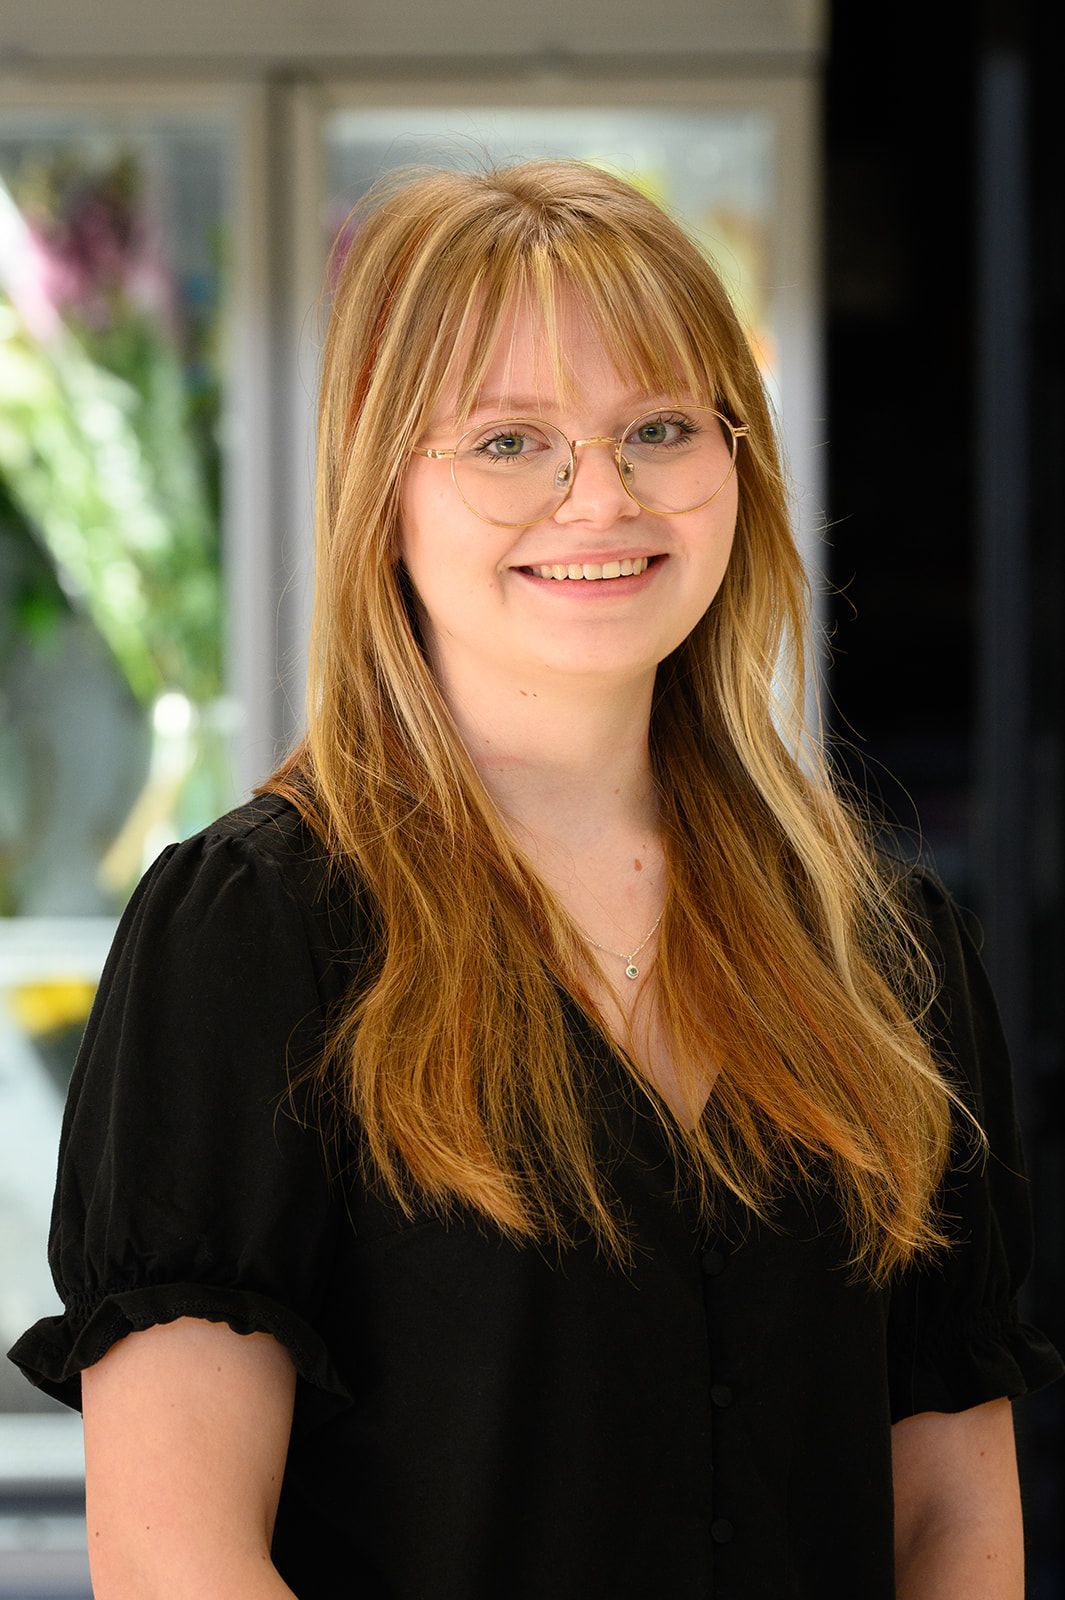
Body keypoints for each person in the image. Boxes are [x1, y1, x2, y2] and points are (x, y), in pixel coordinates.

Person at [8, 158, 1063, 1600]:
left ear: (733, 468)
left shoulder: (886, 950)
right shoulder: (258, 931)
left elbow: (951, 1515)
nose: (601, 496)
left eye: (659, 428)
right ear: (384, 495)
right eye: (509, 442)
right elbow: (181, 1561)